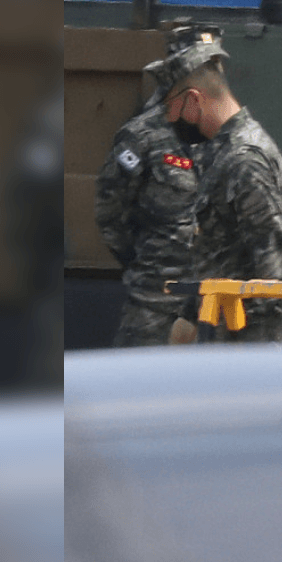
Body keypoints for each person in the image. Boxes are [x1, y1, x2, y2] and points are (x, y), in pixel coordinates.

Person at [162, 24, 282, 343]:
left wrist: (251, 357)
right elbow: (226, 256)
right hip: (235, 338)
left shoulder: (244, 159)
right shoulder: (220, 154)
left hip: (263, 345)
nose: (168, 118)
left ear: (193, 100)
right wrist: (191, 314)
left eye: (171, 107)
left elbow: (276, 278)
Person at [94, 54, 204, 347]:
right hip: (156, 295)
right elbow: (110, 208)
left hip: (209, 295)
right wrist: (138, 260)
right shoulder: (142, 135)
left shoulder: (217, 132)